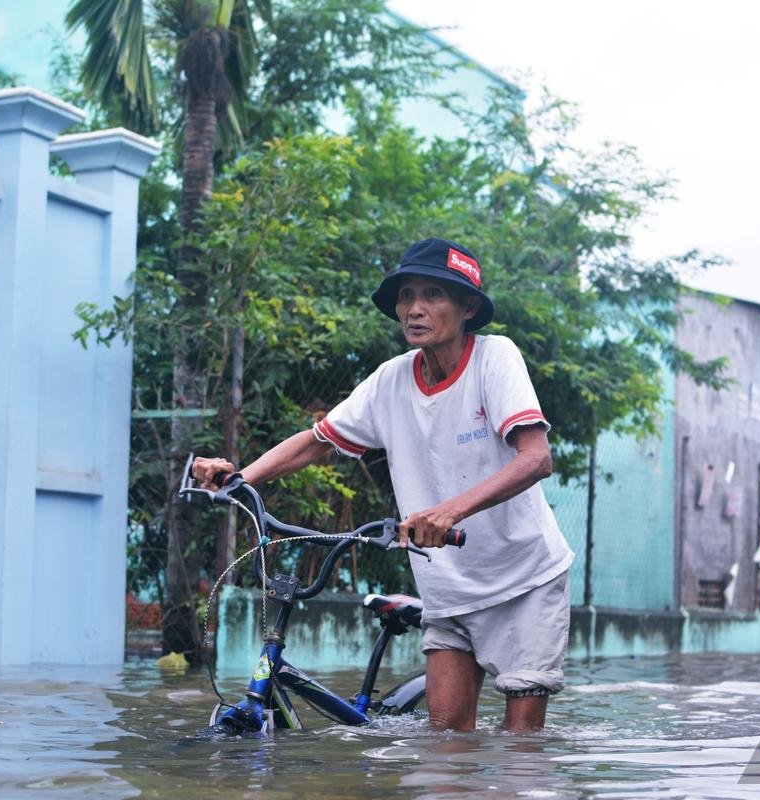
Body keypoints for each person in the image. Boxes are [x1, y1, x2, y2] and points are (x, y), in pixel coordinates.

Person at [192, 237, 574, 732]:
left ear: (468, 307)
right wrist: (238, 479)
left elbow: (536, 458)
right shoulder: (391, 380)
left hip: (524, 579)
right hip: (448, 589)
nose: (415, 308)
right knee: (445, 752)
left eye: (433, 295)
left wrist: (449, 512)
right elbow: (317, 441)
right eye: (406, 296)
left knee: (522, 750)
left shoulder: (494, 358)